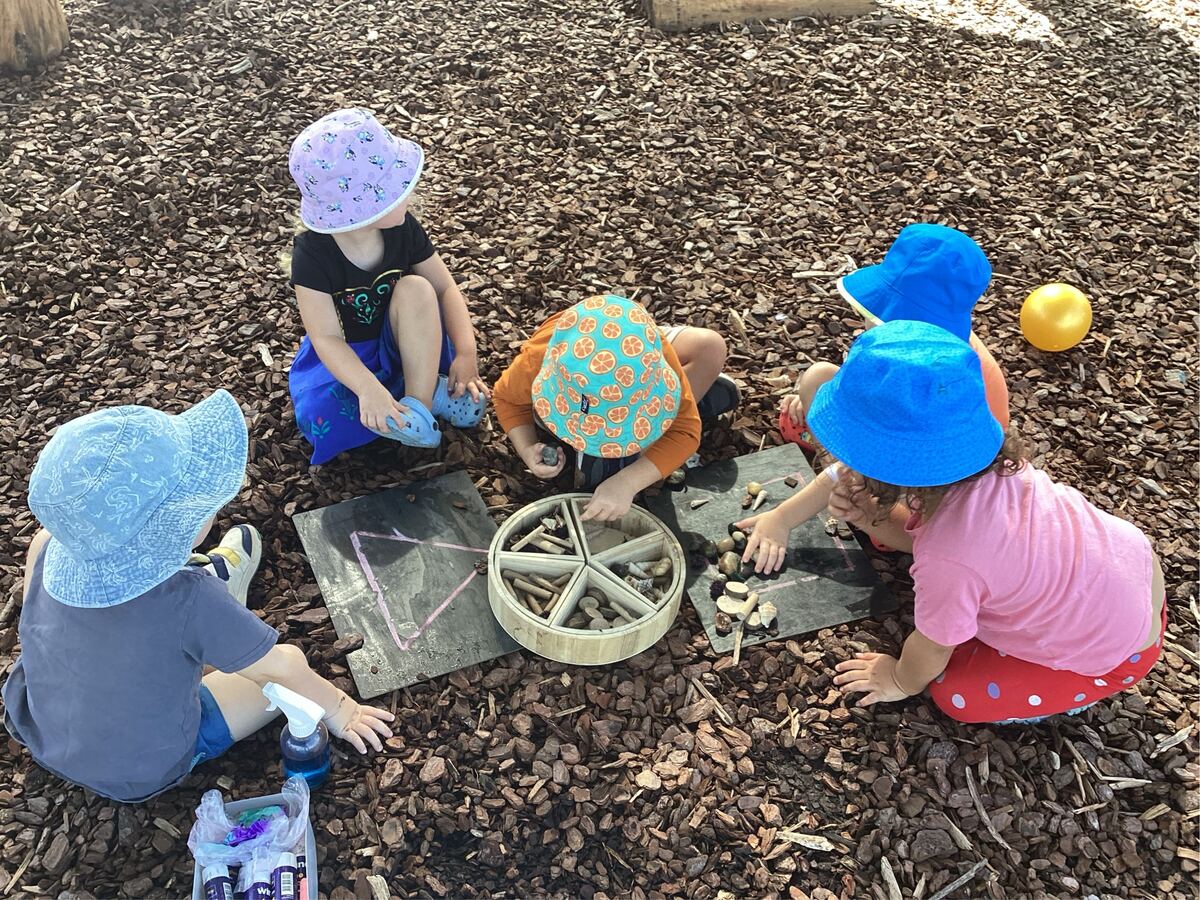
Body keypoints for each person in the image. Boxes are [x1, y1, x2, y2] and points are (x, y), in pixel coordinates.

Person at [741, 322, 1165, 724]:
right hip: (1135, 569)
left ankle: (1075, 694)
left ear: (892, 470)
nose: (840, 460)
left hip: (1113, 653)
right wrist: (782, 518)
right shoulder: (987, 468)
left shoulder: (951, 560)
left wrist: (899, 678)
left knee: (952, 694)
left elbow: (933, 645)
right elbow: (855, 479)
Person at [2, 391, 394, 802]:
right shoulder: (188, 600)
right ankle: (221, 596)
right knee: (279, 687)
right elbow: (283, 669)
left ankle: (216, 618)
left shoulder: (46, 544)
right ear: (178, 528)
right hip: (140, 769)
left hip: (40, 726)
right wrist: (339, 709)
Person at [287, 108, 488, 463]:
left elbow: (444, 289)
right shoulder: (312, 254)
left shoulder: (403, 228)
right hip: (353, 356)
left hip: (414, 339)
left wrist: (467, 352)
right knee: (320, 419)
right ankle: (426, 390)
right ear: (360, 207)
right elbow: (327, 338)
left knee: (417, 288)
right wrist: (366, 389)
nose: (408, 192)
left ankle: (419, 407)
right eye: (394, 188)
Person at [492, 294, 739, 521]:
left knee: (711, 348)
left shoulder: (656, 359)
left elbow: (686, 432)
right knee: (602, 470)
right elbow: (506, 399)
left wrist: (628, 482)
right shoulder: (538, 361)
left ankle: (670, 413)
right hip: (589, 349)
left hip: (630, 340)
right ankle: (655, 425)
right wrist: (526, 449)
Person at [779, 223, 1010, 453]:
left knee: (816, 379)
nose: (872, 321)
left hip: (943, 452)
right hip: (926, 431)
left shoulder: (941, 365)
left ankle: (842, 474)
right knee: (817, 379)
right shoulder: (936, 340)